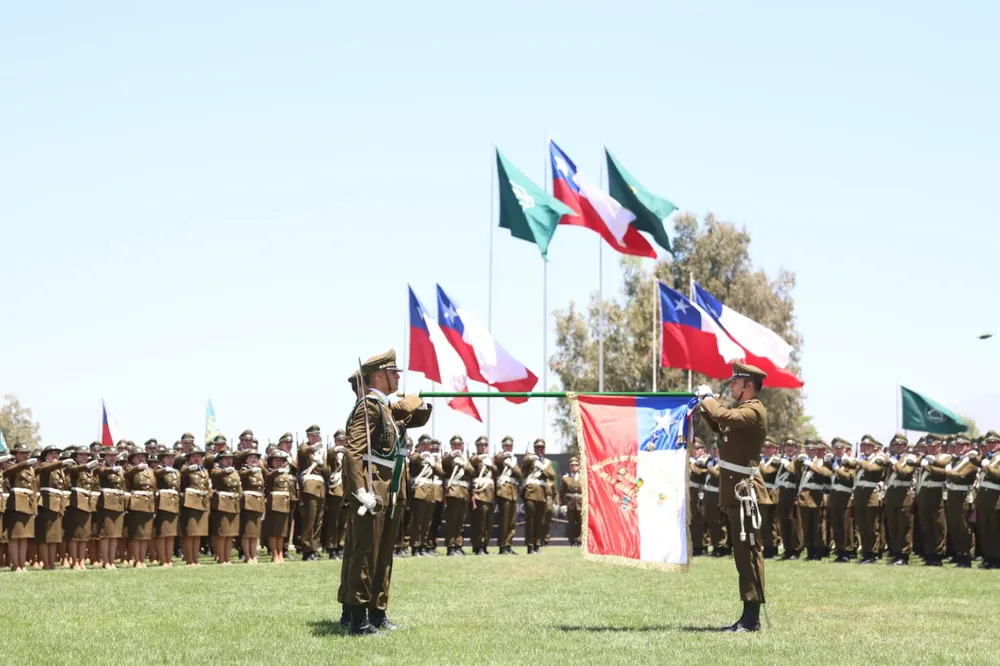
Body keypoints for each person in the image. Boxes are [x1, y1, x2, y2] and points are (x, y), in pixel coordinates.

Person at [342, 348, 431, 635]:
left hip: (388, 488)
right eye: (393, 373)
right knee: (366, 554)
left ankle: (377, 613)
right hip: (373, 490)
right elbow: (353, 452)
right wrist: (359, 491)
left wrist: (422, 400)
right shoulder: (368, 406)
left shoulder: (384, 408)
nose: (396, 378)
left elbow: (412, 419)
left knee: (383, 555)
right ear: (379, 375)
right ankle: (358, 619)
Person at [696, 361, 768, 632]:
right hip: (736, 494)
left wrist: (708, 399)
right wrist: (703, 408)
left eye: (734, 382)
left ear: (748, 385)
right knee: (741, 554)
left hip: (745, 494)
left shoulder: (754, 411)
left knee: (748, 554)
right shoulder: (741, 413)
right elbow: (720, 426)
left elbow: (725, 417)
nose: (730, 386)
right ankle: (748, 616)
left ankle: (751, 619)